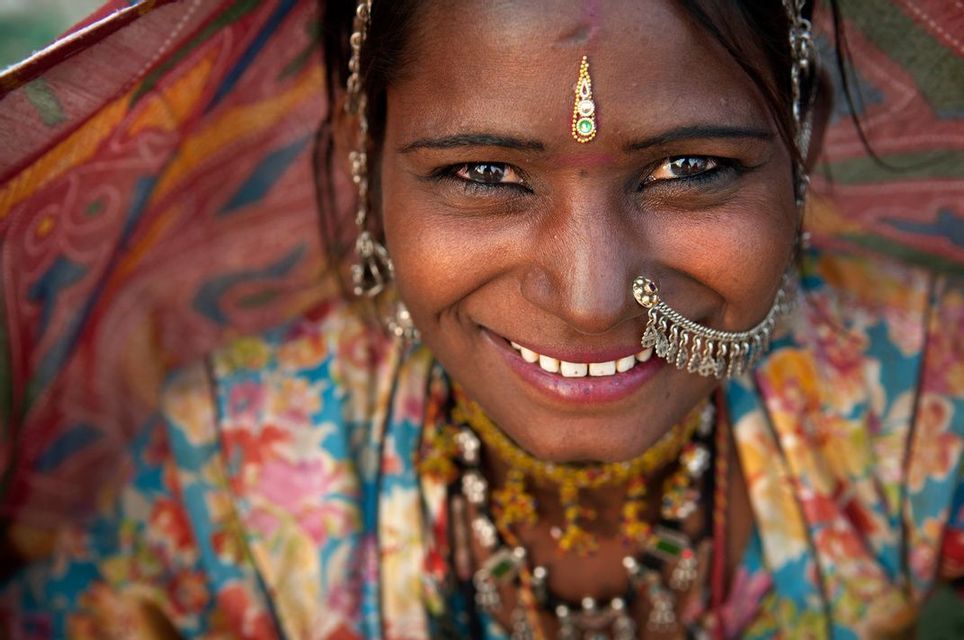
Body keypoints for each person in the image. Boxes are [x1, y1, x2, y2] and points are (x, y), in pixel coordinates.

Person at [0, 0, 961, 638]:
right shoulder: (233, 470)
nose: (590, 300)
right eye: (485, 175)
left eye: (691, 169)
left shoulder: (918, 396)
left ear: (802, 148)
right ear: (362, 162)